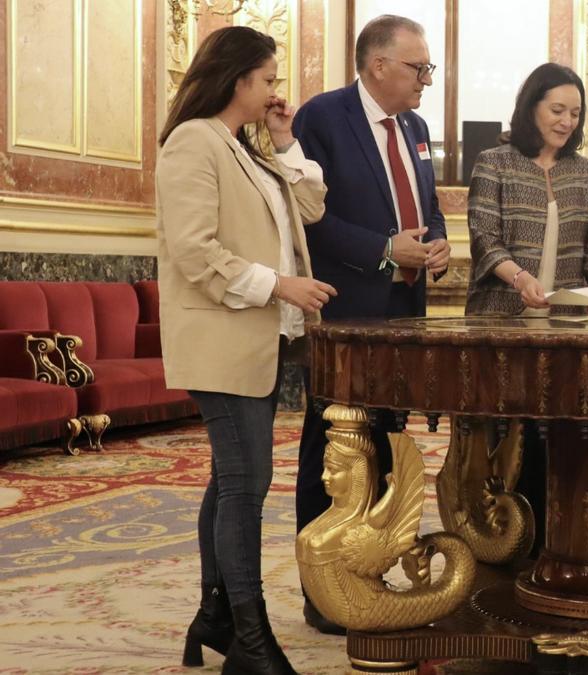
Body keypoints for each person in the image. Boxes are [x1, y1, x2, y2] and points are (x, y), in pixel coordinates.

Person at [156, 26, 333, 674]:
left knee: (233, 480)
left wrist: (284, 140)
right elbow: (194, 251)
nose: (275, 91)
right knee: (245, 481)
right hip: (219, 339)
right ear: (238, 80)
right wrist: (280, 284)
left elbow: (311, 204)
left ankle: (217, 616)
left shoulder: (245, 148)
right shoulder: (192, 143)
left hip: (253, 340)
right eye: (267, 80)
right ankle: (250, 640)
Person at [290, 14, 450, 634]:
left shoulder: (415, 127)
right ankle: (322, 592)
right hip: (346, 311)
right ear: (378, 65)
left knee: (386, 442)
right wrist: (386, 249)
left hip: (404, 313)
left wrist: (433, 244)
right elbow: (310, 216)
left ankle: (370, 574)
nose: (426, 81)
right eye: (419, 68)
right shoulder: (323, 118)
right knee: (333, 450)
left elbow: (428, 207)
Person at [466, 62, 588, 553]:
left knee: (557, 433)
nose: (567, 121)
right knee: (503, 436)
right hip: (502, 318)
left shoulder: (586, 173)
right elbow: (485, 240)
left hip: (565, 326)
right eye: (557, 109)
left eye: (575, 112)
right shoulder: (494, 163)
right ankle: (498, 542)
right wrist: (520, 277)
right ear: (532, 108)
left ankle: (553, 543)